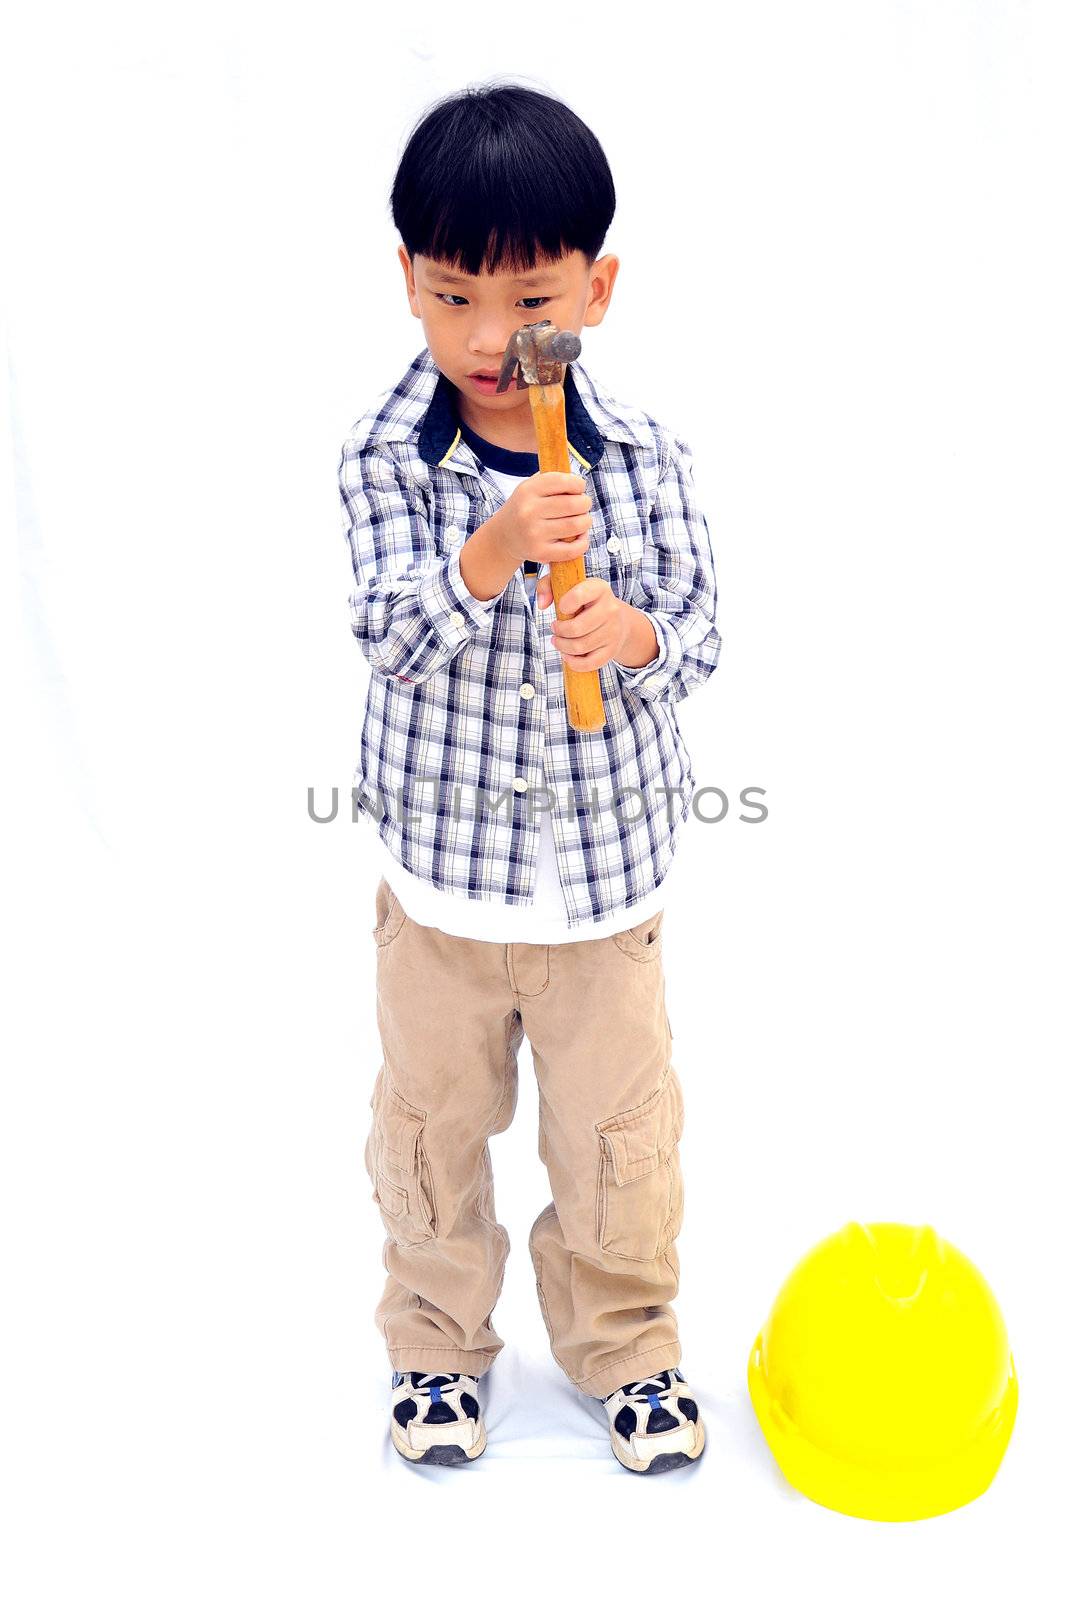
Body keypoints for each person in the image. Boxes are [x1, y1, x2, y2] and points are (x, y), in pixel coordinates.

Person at [338, 82, 721, 1473]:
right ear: (410, 287)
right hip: (440, 893)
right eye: (454, 299)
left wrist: (625, 631)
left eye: (532, 300)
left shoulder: (647, 462)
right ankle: (437, 1343)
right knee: (432, 1131)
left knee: (621, 1143)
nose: (493, 342)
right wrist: (490, 551)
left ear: (597, 290)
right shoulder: (387, 457)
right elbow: (388, 633)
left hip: (602, 895)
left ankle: (626, 1343)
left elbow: (696, 638)